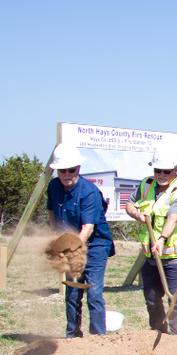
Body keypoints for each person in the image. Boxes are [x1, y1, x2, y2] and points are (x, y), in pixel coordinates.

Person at [126, 147, 177, 334]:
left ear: (176, 169)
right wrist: (136, 214)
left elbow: (173, 219)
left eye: (166, 171)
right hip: (151, 257)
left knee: (176, 301)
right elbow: (129, 203)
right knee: (151, 297)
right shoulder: (146, 185)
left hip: (176, 258)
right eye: (158, 170)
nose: (161, 175)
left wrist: (162, 239)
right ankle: (158, 331)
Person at [46, 143, 115, 338]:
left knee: (93, 294)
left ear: (79, 168)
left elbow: (88, 228)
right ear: (57, 171)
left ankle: (97, 338)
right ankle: (72, 336)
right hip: (69, 245)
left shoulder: (89, 192)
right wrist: (55, 241)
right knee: (73, 292)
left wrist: (71, 249)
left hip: (95, 246)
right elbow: (52, 213)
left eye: (71, 170)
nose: (67, 174)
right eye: (62, 170)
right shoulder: (53, 187)